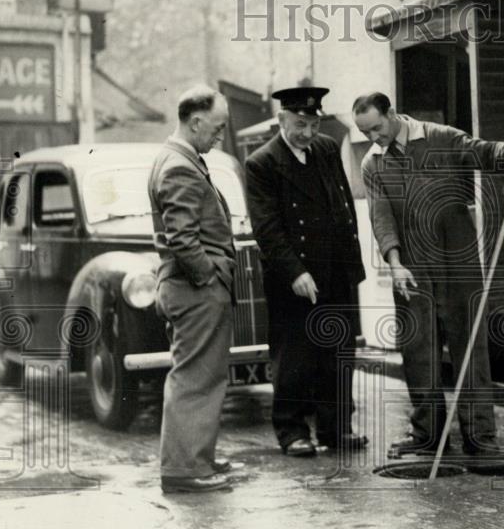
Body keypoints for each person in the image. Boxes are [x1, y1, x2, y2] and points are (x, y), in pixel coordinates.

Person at [353, 92, 504, 458]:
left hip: (458, 258)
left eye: (376, 128)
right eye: (365, 133)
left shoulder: (440, 137)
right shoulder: (373, 164)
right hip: (411, 266)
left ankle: (480, 437)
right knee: (418, 350)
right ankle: (427, 436)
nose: (374, 138)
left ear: (392, 114)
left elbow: (483, 152)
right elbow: (381, 217)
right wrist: (394, 262)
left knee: (470, 344)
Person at [245, 86, 367, 457]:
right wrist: (294, 272)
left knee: (338, 353)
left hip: (335, 269)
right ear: (281, 120)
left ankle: (336, 428)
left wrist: (352, 261)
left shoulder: (327, 149)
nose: (308, 133)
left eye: (314, 124)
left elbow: (342, 202)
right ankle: (292, 430)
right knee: (295, 356)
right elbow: (267, 228)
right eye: (300, 124)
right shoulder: (262, 163)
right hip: (294, 278)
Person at [148, 85, 240, 494]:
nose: (219, 136)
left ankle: (196, 457)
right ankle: (186, 469)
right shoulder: (180, 166)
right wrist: (210, 278)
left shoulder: (179, 159)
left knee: (200, 376)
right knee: (195, 379)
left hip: (189, 288)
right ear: (196, 121)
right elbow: (182, 238)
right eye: (217, 128)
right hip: (196, 289)